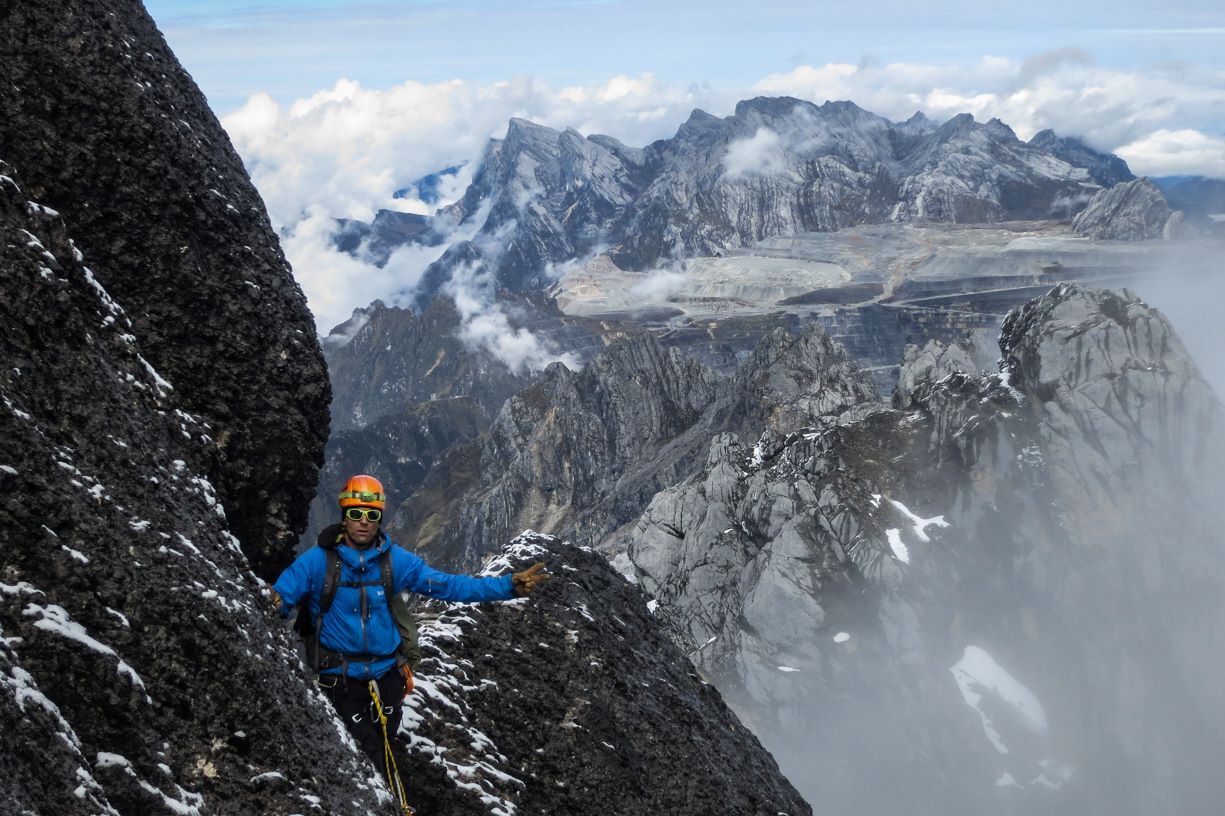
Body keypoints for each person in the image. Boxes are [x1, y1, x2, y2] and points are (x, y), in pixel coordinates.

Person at [267, 474, 549, 783]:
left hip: (388, 679)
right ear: (344, 516)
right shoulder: (316, 563)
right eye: (355, 514)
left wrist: (508, 586)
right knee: (367, 756)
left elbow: (451, 586)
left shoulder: (394, 562)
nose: (363, 521)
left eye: (371, 515)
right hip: (341, 681)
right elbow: (281, 597)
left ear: (380, 518)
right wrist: (268, 602)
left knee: (384, 747)